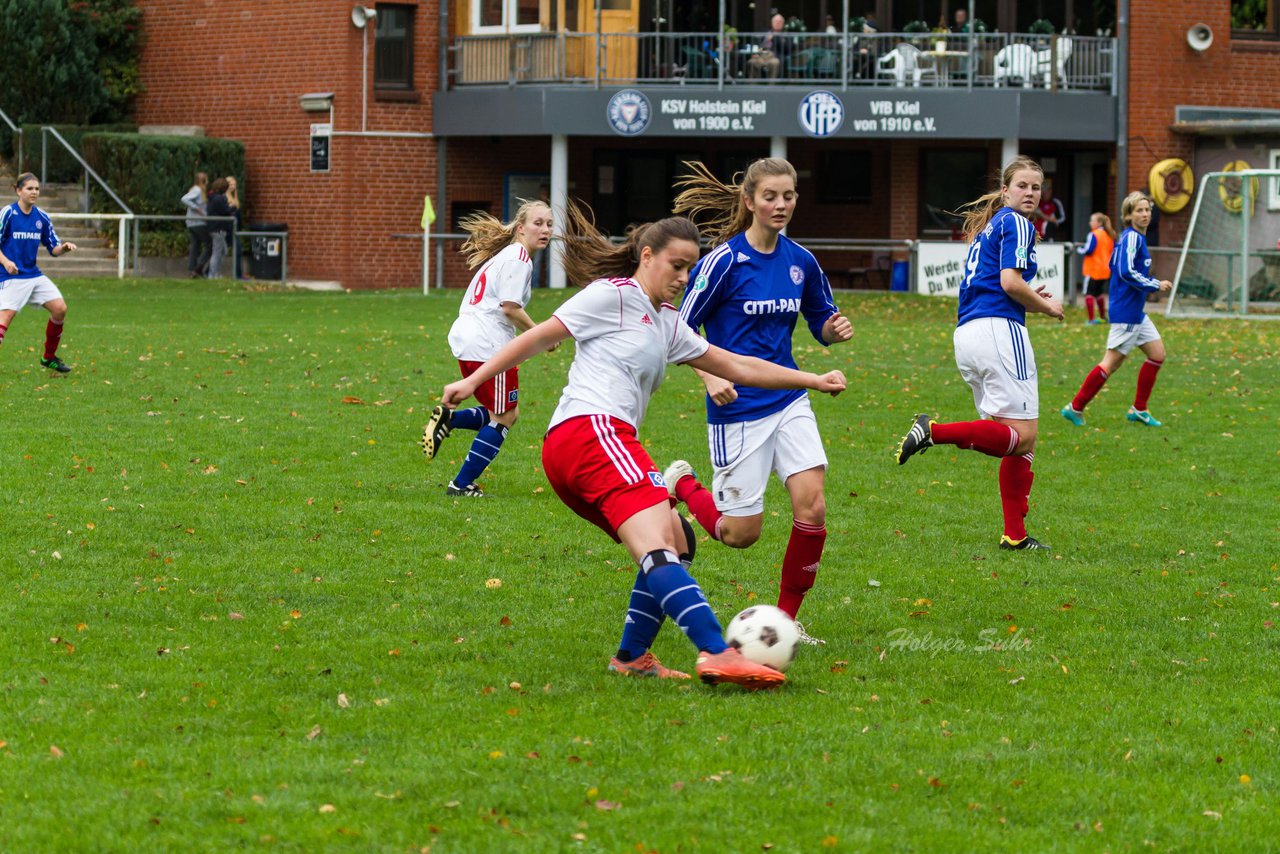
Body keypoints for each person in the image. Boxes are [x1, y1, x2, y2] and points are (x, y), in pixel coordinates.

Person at [440, 205, 846, 688]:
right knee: (659, 544)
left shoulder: (668, 323)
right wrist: (475, 381)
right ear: (647, 255)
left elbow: (736, 365)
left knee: (679, 539)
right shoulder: (613, 295)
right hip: (591, 433)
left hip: (591, 444)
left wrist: (812, 380)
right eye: (676, 265)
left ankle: (632, 657)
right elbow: (539, 338)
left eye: (690, 267)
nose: (683, 276)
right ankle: (718, 652)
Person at [665, 158, 853, 643]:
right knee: (739, 535)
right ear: (749, 201)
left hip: (789, 399)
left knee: (812, 507)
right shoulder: (723, 262)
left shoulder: (801, 261)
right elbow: (678, 330)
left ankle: (785, 622)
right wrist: (709, 378)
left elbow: (820, 319)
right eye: (770, 196)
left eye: (788, 196)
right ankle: (683, 484)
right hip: (738, 408)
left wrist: (832, 331)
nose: (781, 204)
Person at [894, 157, 1064, 551]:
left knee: (1014, 436)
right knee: (1023, 436)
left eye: (1036, 188)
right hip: (998, 332)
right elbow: (1008, 282)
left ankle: (1015, 535)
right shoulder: (1018, 223)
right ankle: (933, 431)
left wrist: (1027, 297)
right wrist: (1046, 307)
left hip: (969, 334)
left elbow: (1000, 282)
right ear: (1006, 191)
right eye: (1022, 186)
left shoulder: (993, 226)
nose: (1029, 193)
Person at [421, 200, 554, 497]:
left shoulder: (508, 255)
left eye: (549, 224)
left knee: (502, 410)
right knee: (504, 416)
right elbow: (510, 309)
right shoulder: (518, 259)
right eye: (538, 223)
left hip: (469, 338)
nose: (545, 229)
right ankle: (461, 484)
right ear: (520, 228)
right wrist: (543, 334)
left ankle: (450, 420)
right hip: (487, 343)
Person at [1061, 192, 1172, 428]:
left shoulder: (1134, 238)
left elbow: (1120, 267)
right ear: (1128, 215)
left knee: (1157, 354)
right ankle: (1076, 406)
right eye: (1139, 210)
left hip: (1135, 313)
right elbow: (1124, 271)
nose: (1144, 214)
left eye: (1147, 210)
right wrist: (1155, 284)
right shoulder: (1132, 238)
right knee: (1110, 364)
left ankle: (1139, 409)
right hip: (1126, 313)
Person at [0, 173, 78, 373]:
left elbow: (53, 248)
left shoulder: (42, 217)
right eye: (29, 188)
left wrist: (64, 248)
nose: (34, 192)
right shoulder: (8, 213)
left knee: (60, 308)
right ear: (18, 191)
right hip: (11, 277)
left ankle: (49, 357)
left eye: (36, 188)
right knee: (4, 321)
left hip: (33, 275)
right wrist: (7, 262)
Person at [1077, 211, 1115, 324]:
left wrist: (1080, 249)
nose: (1090, 223)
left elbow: (1089, 249)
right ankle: (1103, 317)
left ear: (1098, 223)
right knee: (1099, 293)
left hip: (1093, 269)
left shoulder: (1093, 234)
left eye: (1092, 220)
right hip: (1104, 270)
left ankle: (1091, 319)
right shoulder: (1109, 234)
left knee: (1088, 293)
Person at [181, 171, 211, 279]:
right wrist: (196, 207)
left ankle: (192, 269)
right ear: (203, 180)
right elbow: (184, 199)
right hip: (198, 222)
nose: (208, 182)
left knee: (195, 246)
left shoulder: (199, 190)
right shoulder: (197, 190)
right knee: (209, 245)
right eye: (206, 179)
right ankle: (197, 268)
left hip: (193, 223)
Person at [205, 177, 233, 279]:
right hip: (218, 228)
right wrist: (232, 208)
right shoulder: (218, 198)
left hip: (214, 227)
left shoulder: (212, 197)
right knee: (217, 252)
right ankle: (212, 275)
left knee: (223, 251)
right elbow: (225, 211)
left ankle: (215, 273)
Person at [747, 13, 789, 79]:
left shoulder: (786, 35)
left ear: (783, 24)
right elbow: (759, 45)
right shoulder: (765, 32)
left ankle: (772, 86)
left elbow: (787, 49)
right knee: (752, 62)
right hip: (761, 54)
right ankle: (753, 85)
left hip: (774, 56)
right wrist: (756, 53)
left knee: (775, 63)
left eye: (779, 22)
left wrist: (775, 38)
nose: (777, 23)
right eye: (775, 21)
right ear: (772, 23)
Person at [226, 176, 245, 279]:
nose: (233, 186)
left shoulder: (234, 197)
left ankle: (239, 274)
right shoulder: (226, 197)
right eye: (231, 184)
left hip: (236, 228)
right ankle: (238, 275)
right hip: (230, 229)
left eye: (234, 184)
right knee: (236, 250)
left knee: (238, 250)